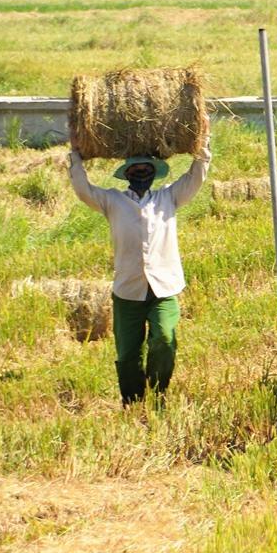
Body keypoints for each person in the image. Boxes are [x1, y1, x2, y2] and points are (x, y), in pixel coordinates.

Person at [68, 143, 210, 405]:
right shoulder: (112, 201)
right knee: (127, 354)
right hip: (128, 290)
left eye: (147, 168)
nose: (142, 172)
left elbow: (196, 177)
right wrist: (76, 157)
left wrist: (202, 146)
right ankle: (132, 401)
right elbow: (83, 190)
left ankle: (158, 391)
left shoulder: (168, 198)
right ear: (128, 173)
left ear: (154, 173)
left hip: (163, 289)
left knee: (165, 338)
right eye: (136, 168)